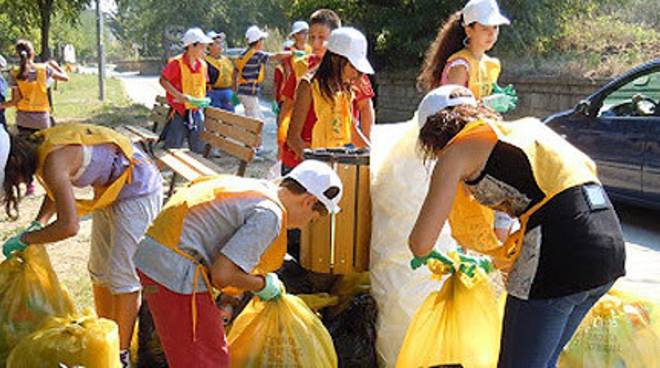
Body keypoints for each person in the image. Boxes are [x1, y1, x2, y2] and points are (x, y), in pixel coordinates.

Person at [408, 85, 626, 368]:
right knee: (543, 362)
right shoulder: (520, 132)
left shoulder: (456, 152)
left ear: (431, 136)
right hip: (608, 245)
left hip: (560, 251)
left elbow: (421, 243)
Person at [133, 160, 343, 367]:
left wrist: (229, 299)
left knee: (193, 352)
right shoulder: (271, 215)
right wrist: (263, 285)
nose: (307, 225)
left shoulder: (260, 189)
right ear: (308, 201)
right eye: (313, 217)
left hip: (157, 255)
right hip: (174, 267)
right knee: (208, 359)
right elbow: (222, 275)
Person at [1, 123, 163, 368]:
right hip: (111, 191)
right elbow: (56, 188)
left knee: (123, 278)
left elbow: (69, 226)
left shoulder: (53, 161)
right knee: (99, 272)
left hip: (139, 188)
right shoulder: (41, 147)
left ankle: (120, 354)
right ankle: (104, 338)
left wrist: (26, 239)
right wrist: (38, 223)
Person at [418, 0, 517, 241]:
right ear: (468, 29)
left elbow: (484, 97)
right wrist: (488, 104)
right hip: (462, 144)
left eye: (495, 28)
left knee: (500, 207)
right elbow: (453, 111)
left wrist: (497, 101)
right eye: (485, 28)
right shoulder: (460, 63)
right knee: (468, 212)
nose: (491, 34)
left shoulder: (491, 64)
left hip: (484, 139)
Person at [279, 10, 375, 172]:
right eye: (353, 67)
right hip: (301, 167)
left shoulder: (345, 90)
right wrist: (317, 168)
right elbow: (293, 138)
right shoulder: (308, 85)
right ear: (336, 60)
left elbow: (351, 129)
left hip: (329, 167)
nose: (357, 75)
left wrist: (371, 154)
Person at [159, 28, 213, 153]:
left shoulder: (203, 65)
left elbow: (203, 86)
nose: (205, 50)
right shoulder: (176, 63)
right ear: (191, 46)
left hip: (197, 111)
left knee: (198, 148)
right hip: (179, 111)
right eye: (202, 46)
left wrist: (204, 101)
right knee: (173, 148)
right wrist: (178, 95)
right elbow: (163, 80)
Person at [1, 40, 69, 135]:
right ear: (32, 53)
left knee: (25, 148)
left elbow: (15, 100)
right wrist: (55, 65)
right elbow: (65, 78)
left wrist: (2, 105)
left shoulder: (14, 73)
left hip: (23, 119)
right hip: (42, 119)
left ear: (18, 55)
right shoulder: (44, 69)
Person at [233, 25, 290, 122]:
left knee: (259, 119)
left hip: (244, 92)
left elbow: (235, 72)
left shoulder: (243, 54)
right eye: (262, 40)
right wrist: (292, 53)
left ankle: (252, 136)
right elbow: (275, 56)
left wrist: (234, 89)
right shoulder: (257, 54)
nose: (262, 43)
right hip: (249, 93)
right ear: (258, 41)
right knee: (254, 122)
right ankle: (249, 137)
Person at [274, 21, 312, 113]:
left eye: (307, 32)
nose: (306, 35)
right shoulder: (289, 50)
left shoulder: (310, 49)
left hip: (305, 89)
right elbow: (287, 70)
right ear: (295, 35)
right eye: (302, 33)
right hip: (290, 90)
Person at [205, 31, 235, 112]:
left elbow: (233, 75)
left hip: (227, 92)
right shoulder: (205, 61)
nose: (220, 45)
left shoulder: (226, 60)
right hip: (213, 94)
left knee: (230, 119)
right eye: (217, 43)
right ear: (209, 46)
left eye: (220, 43)